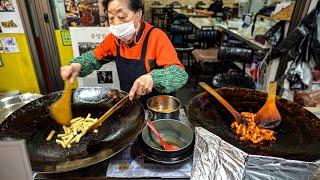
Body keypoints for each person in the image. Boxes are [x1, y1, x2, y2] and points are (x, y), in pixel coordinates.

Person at [60, 0, 188, 107]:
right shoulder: (113, 40)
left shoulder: (156, 37)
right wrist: (77, 65)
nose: (116, 23)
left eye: (122, 17)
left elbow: (179, 74)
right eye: (111, 18)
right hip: (132, 105)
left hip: (159, 108)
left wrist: (152, 78)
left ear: (138, 14)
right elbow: (94, 57)